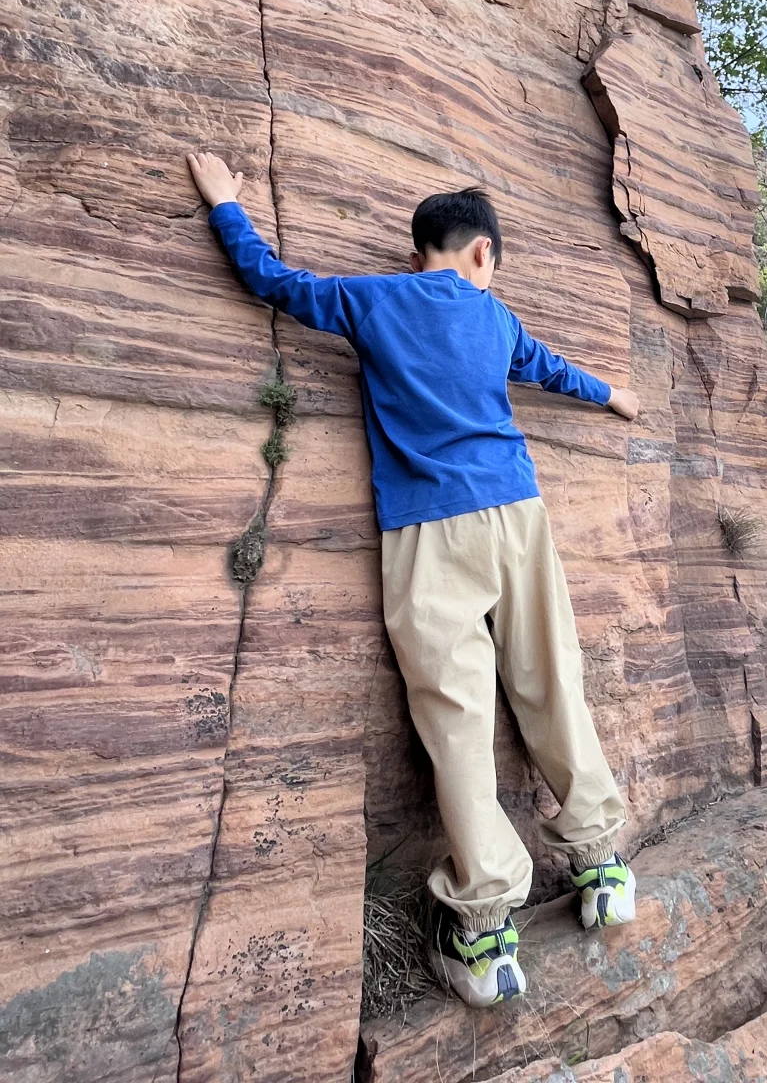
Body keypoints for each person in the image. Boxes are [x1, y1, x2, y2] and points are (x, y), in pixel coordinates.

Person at [186, 152, 638, 1009]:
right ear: (482, 255)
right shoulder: (496, 318)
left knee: (457, 719)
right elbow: (547, 369)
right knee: (553, 685)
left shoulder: (376, 300)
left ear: (422, 251)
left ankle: (485, 931)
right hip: (517, 515)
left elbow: (272, 281)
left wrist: (226, 204)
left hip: (428, 534)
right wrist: (612, 393)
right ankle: (602, 863)